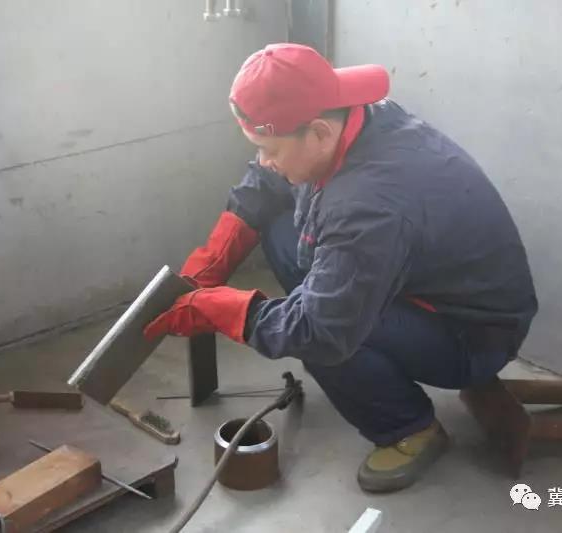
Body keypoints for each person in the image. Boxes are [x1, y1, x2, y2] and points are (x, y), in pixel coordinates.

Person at [144, 43, 538, 493]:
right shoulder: (344, 112)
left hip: (471, 334)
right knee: (278, 228)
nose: (264, 161)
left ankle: (408, 427)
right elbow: (267, 179)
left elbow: (320, 329)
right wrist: (215, 257)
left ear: (318, 133)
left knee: (317, 335)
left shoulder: (368, 203)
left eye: (270, 149)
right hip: (415, 276)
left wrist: (222, 310)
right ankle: (363, 364)